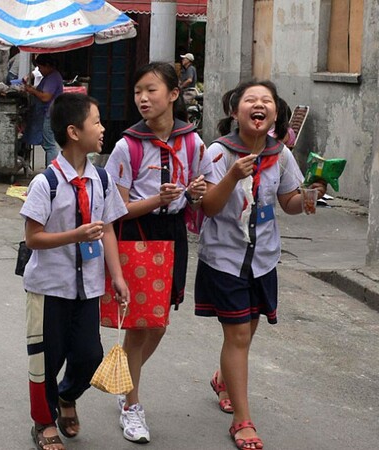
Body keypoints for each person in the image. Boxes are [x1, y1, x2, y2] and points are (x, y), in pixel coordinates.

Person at [194, 80, 327, 450]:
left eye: (265, 101)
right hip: (225, 258)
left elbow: (288, 202)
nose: (258, 105)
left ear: (274, 113)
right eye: (250, 100)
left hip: (264, 259)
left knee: (247, 332)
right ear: (235, 112)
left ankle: (223, 379)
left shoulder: (280, 155)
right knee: (237, 336)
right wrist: (234, 175)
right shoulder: (218, 154)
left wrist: (311, 196)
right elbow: (208, 208)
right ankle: (242, 420)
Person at [104, 62, 209, 444]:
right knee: (139, 326)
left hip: (173, 235)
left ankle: (124, 380)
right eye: (137, 92)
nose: (143, 99)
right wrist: (155, 200)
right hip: (138, 233)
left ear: (174, 94)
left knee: (160, 323)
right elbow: (117, 210)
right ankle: (132, 407)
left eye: (151, 90)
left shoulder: (193, 142)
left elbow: (203, 192)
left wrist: (196, 192)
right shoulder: (126, 145)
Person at [20, 93, 129, 450]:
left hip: (88, 287)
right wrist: (76, 235)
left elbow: (109, 227)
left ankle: (67, 396)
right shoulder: (45, 183)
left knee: (89, 355)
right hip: (50, 287)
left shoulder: (101, 178)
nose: (102, 128)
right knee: (45, 359)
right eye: (96, 121)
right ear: (73, 131)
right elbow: (34, 238)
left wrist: (117, 276)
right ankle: (43, 421)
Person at [23, 53, 64, 166]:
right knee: (49, 143)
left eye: (40, 68)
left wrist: (32, 91)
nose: (40, 71)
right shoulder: (49, 76)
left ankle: (52, 171)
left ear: (47, 65)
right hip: (48, 113)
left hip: (50, 114)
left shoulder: (53, 77)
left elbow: (46, 97)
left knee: (49, 145)